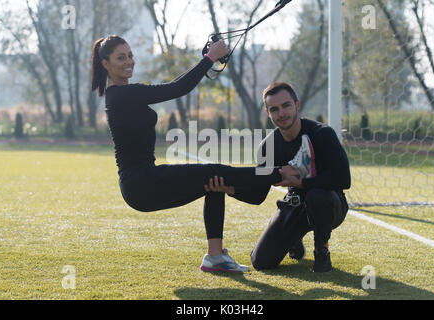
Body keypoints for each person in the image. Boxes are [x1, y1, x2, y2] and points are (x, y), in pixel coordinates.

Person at [90, 35, 290, 273]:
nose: (129, 61)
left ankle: (215, 257)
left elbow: (176, 84)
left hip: (142, 183)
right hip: (140, 182)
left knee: (213, 182)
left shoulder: (124, 94)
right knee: (214, 171)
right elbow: (178, 88)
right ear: (105, 64)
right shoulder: (123, 94)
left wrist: (206, 60)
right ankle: (281, 174)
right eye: (120, 58)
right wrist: (210, 59)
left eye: (130, 55)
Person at [205, 82, 351, 272]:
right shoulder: (268, 146)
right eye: (274, 109)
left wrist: (302, 182)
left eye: (286, 106)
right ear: (268, 113)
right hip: (295, 204)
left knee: (317, 196)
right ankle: (294, 239)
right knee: (261, 262)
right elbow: (257, 195)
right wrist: (229, 189)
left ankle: (321, 250)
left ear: (297, 105)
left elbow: (343, 179)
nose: (281, 113)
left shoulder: (322, 134)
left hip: (329, 204)